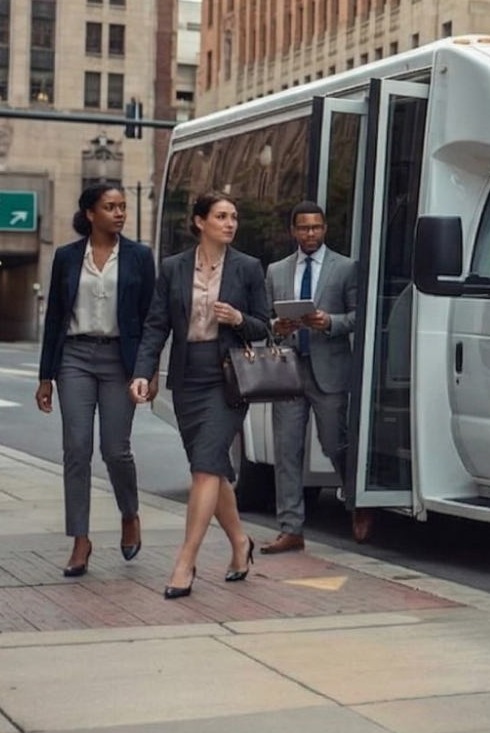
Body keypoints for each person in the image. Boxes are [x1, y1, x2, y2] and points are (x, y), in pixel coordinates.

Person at [131, 191, 273, 599]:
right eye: (221, 216)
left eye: (234, 216)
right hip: (187, 377)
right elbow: (156, 325)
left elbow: (265, 326)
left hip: (228, 379)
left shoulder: (247, 267)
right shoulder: (173, 269)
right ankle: (241, 544)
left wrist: (240, 318)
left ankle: (185, 561)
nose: (230, 223)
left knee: (205, 469)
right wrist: (144, 371)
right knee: (209, 466)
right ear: (200, 222)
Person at [35, 184, 155, 578]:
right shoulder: (67, 258)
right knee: (76, 448)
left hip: (121, 360)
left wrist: (147, 371)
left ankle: (129, 513)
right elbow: (55, 317)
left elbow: (151, 320)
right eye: (110, 207)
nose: (119, 213)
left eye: (123, 207)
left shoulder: (139, 257)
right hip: (74, 357)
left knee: (115, 450)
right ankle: (80, 540)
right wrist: (45, 376)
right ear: (90, 213)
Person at [261, 202, 366, 552]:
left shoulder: (346, 268)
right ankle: (291, 528)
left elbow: (359, 317)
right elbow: (265, 322)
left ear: (324, 229)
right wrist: (278, 326)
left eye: (316, 228)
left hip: (329, 368)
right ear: (293, 231)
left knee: (335, 442)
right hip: (288, 369)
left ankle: (357, 500)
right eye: (304, 228)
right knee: (286, 450)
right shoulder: (276, 271)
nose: (310, 234)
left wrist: (331, 322)